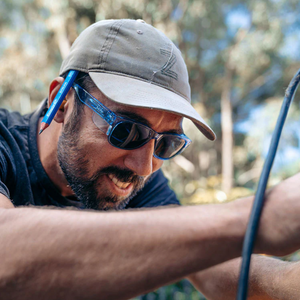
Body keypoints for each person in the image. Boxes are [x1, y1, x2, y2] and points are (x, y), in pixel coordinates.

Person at [0, 19, 299, 300]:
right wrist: (253, 219)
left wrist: (288, 280)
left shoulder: (135, 180)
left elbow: (206, 266)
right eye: (126, 131)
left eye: (166, 143)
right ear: (62, 102)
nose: (143, 167)